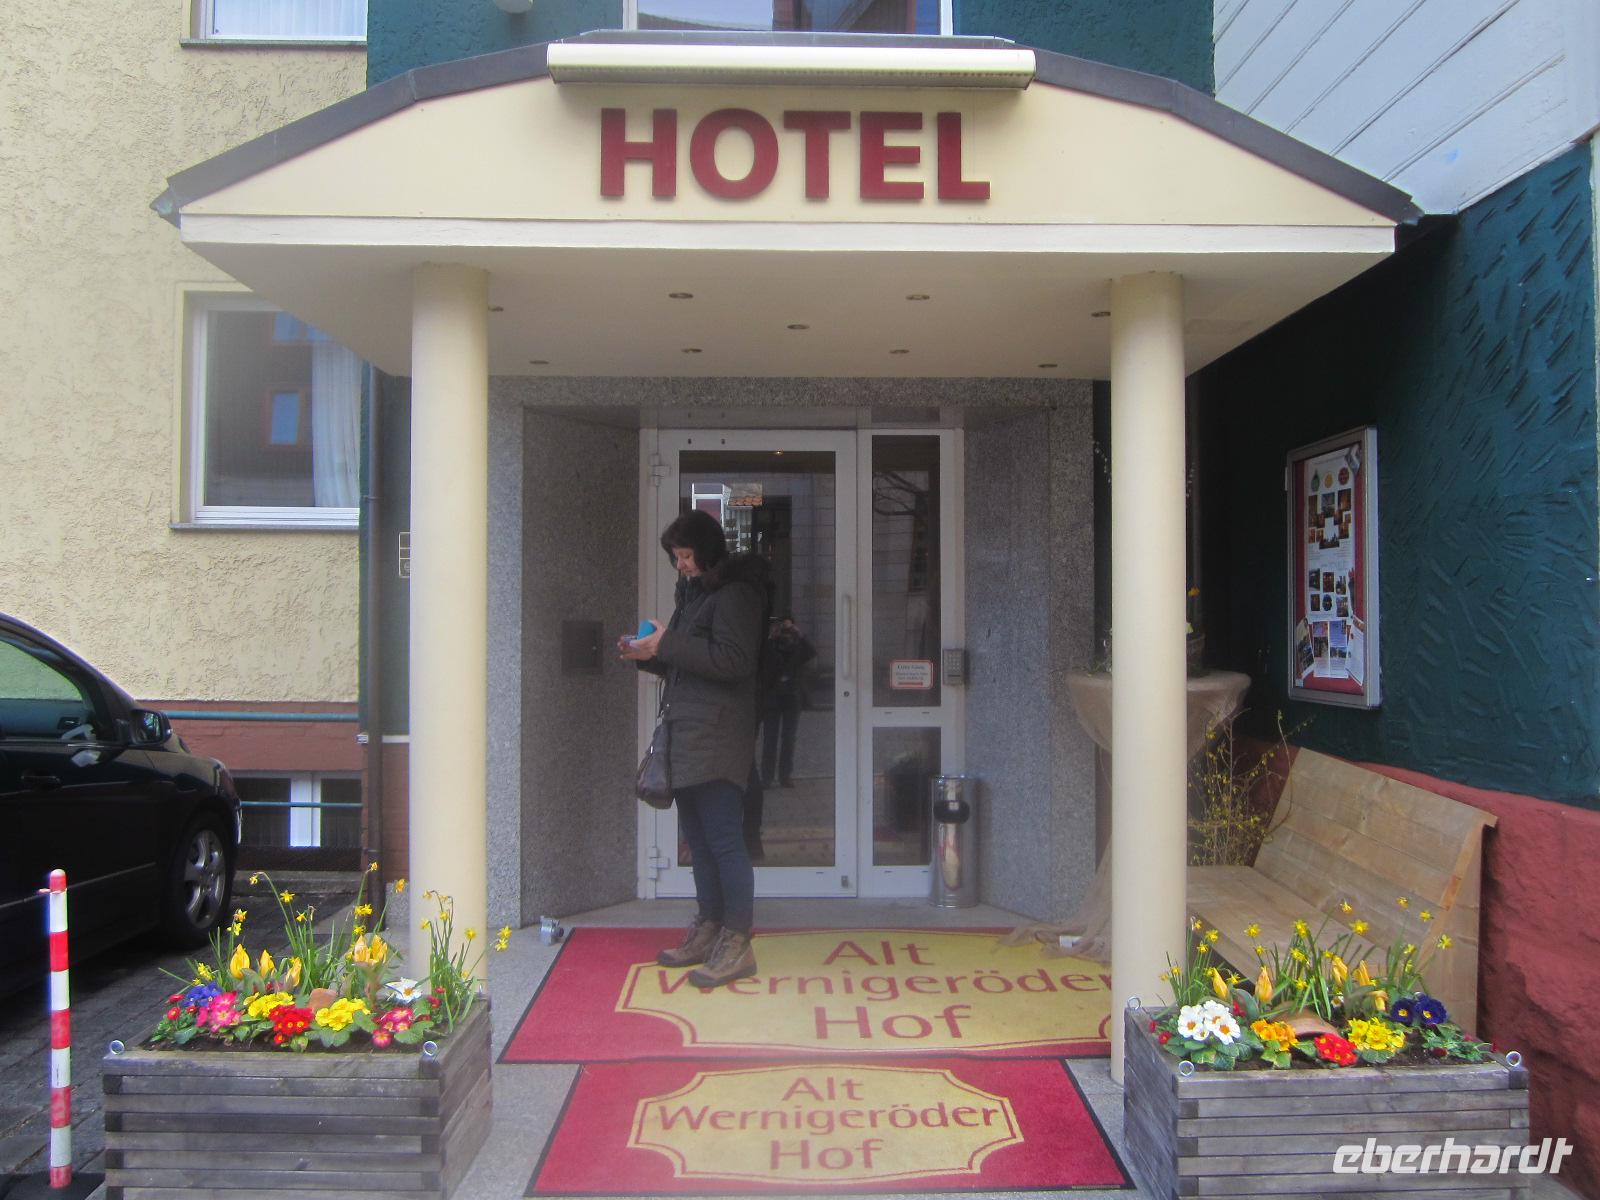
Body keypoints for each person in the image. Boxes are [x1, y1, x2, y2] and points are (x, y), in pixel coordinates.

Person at [619, 509, 766, 988]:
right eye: (675, 557)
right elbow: (690, 663)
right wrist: (649, 655)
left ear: (706, 550)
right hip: (690, 732)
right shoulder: (698, 594)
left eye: (685, 555)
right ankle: (709, 927)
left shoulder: (736, 594)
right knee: (699, 842)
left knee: (724, 841)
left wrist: (668, 646)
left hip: (721, 736)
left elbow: (733, 661)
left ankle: (737, 942)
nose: (680, 565)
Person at [759, 616, 815, 788]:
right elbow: (760, 656)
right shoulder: (769, 645)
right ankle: (767, 777)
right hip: (773, 697)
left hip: (792, 696)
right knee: (770, 739)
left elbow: (811, 651)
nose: (783, 632)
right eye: (779, 628)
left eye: (785, 629)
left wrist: (798, 633)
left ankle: (785, 776)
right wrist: (769, 637)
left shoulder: (797, 645)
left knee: (789, 738)